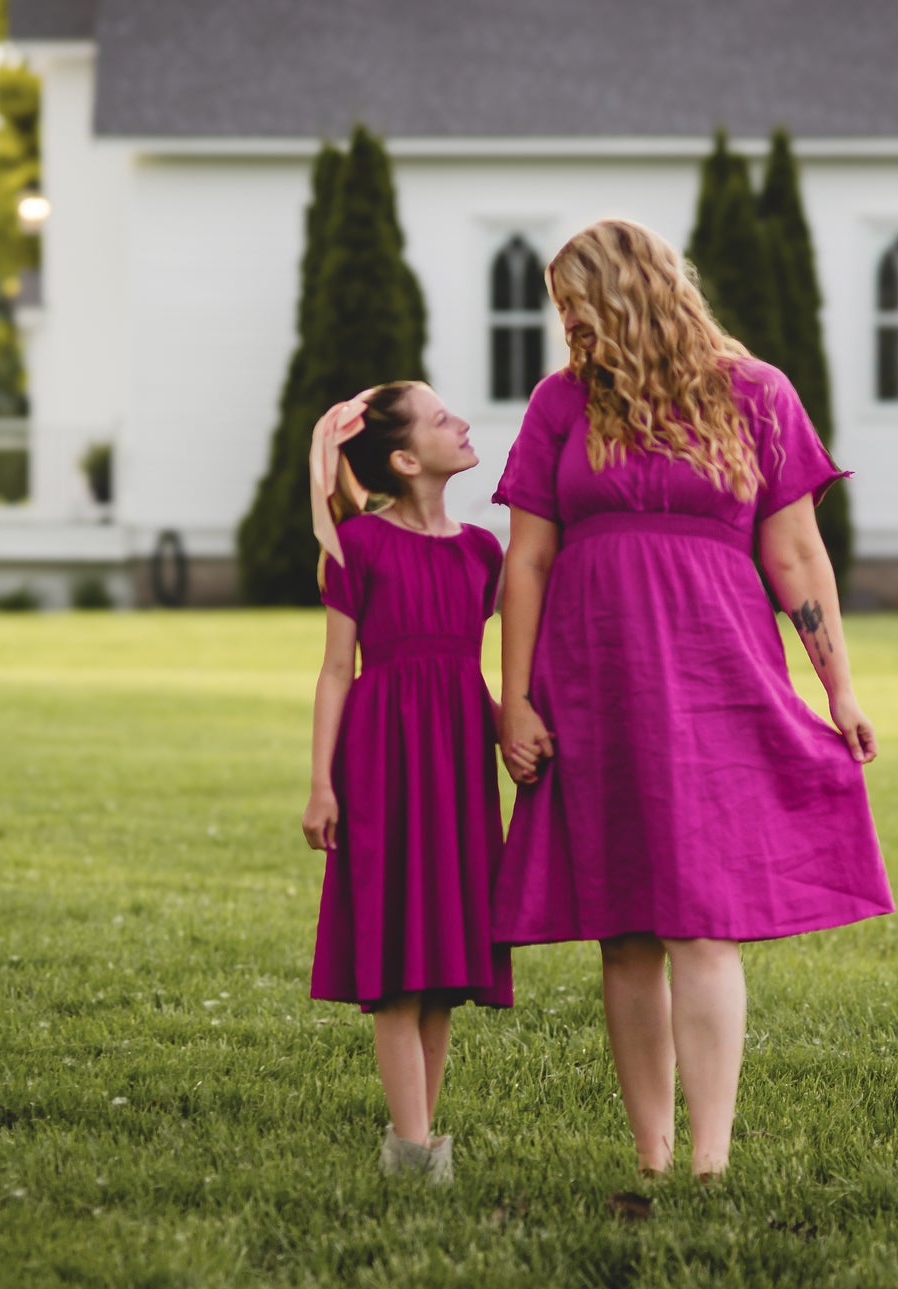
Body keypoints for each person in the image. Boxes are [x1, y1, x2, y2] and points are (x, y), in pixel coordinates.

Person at [492, 218, 895, 1179]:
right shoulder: (561, 404)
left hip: (717, 681)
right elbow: (529, 561)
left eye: (577, 303)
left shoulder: (756, 394)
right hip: (594, 681)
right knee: (624, 927)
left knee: (703, 920)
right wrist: (514, 700)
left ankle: (711, 1158)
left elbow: (796, 554)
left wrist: (839, 685)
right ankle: (654, 1154)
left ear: (631, 290)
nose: (569, 325)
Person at [301, 381, 514, 1184]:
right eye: (441, 418)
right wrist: (321, 783)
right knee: (396, 959)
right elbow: (334, 670)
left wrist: (507, 727)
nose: (461, 423)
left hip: (456, 761)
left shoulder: (481, 552)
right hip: (384, 758)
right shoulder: (360, 546)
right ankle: (413, 1148)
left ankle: (421, 1140)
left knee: (444, 963)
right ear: (403, 458)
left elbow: (468, 669)